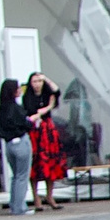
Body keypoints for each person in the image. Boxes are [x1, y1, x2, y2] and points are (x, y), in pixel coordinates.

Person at [24, 71, 65, 209]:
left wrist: (46, 78)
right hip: (35, 132)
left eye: (39, 81)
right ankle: (36, 197)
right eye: (35, 81)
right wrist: (48, 107)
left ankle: (49, 195)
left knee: (51, 161)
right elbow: (33, 112)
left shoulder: (48, 94)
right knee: (35, 163)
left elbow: (57, 91)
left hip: (48, 130)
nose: (37, 84)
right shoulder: (27, 97)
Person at [0, 78, 33, 214]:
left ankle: (14, 205)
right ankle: (20, 208)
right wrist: (30, 122)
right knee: (22, 175)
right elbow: (26, 124)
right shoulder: (16, 108)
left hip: (9, 143)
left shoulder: (1, 109)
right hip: (21, 142)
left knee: (16, 175)